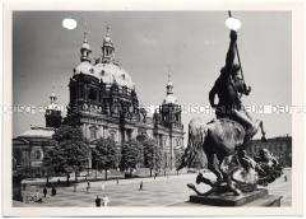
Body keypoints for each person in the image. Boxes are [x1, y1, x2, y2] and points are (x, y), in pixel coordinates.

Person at [209, 30, 256, 138]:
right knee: (252, 127)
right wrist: (233, 42)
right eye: (237, 73)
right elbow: (229, 59)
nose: (238, 75)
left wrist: (213, 104)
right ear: (232, 72)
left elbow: (211, 94)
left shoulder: (227, 81)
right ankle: (241, 149)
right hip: (231, 111)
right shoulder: (226, 77)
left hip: (222, 111)